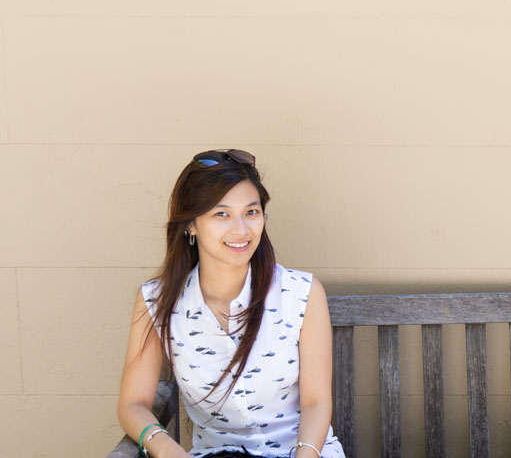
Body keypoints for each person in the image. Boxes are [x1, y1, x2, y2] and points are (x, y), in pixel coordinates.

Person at [118, 149, 345, 458]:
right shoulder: (157, 302)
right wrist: (166, 449)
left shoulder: (300, 293)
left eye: (251, 212)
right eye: (221, 214)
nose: (241, 229)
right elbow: (133, 404)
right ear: (191, 225)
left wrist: (305, 455)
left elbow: (316, 402)